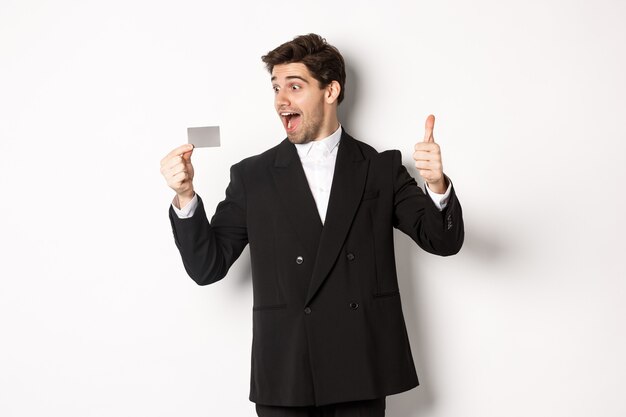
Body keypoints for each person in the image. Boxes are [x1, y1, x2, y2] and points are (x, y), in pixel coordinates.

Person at [160, 33, 464, 417]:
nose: (281, 100)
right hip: (286, 371)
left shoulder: (380, 168)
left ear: (331, 90)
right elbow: (207, 267)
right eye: (275, 88)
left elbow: (443, 241)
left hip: (360, 365)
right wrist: (186, 195)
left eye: (295, 86)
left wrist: (436, 185)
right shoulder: (253, 176)